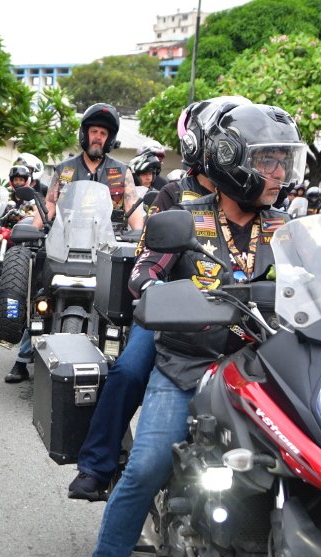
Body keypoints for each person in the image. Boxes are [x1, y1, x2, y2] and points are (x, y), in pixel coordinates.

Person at [69, 102, 303, 557]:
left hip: (264, 372)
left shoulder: (288, 229)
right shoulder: (187, 216)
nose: (277, 175)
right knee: (148, 464)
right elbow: (147, 270)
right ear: (232, 163)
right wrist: (155, 293)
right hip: (188, 368)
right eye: (267, 162)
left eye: (281, 163)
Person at [67, 94, 235, 501]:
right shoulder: (173, 195)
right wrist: (154, 290)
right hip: (173, 315)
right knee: (127, 371)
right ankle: (96, 464)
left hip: (240, 314)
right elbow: (147, 260)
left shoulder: (261, 203)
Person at [5, 103, 136, 383]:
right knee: (40, 295)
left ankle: (124, 358)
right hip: (63, 244)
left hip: (104, 249)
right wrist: (32, 227)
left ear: (109, 138)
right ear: (84, 134)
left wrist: (143, 235)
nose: (97, 137)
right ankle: (23, 355)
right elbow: (50, 204)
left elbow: (134, 206)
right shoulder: (64, 169)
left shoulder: (120, 172)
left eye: (103, 132)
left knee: (124, 305)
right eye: (93, 131)